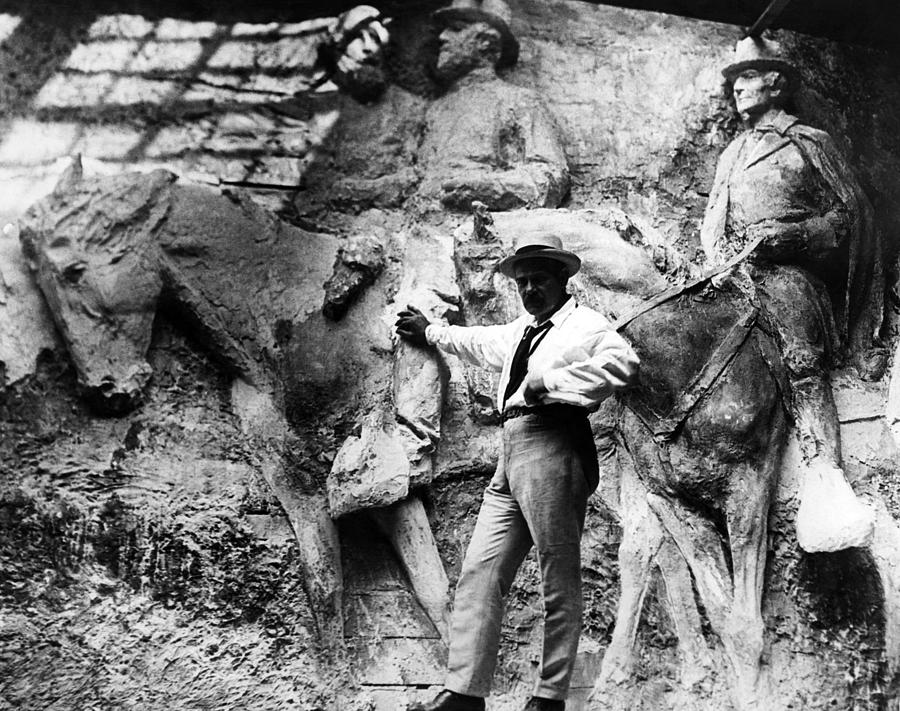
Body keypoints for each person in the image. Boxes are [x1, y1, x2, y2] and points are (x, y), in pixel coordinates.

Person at [395, 234, 639, 711]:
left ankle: (549, 696)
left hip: (555, 443)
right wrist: (430, 332)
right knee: (480, 573)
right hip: (511, 453)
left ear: (563, 279)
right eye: (523, 282)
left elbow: (624, 364)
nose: (530, 290)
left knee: (557, 574)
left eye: (539, 280)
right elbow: (476, 340)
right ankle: (465, 694)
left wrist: (549, 381)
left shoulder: (586, 325)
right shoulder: (522, 330)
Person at [700, 35, 883, 551]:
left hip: (791, 274)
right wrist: (716, 260)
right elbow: (714, 220)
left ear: (777, 83)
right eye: (734, 78)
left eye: (749, 75)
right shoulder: (733, 154)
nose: (737, 86)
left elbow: (850, 216)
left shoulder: (809, 142)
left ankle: (827, 480)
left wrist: (795, 237)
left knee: (800, 350)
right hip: (735, 271)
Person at [418, 0, 570, 211]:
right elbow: (416, 178)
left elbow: (550, 176)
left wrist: (489, 189)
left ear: (486, 42)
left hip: (481, 227)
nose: (443, 37)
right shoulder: (436, 109)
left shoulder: (519, 100)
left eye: (456, 29)